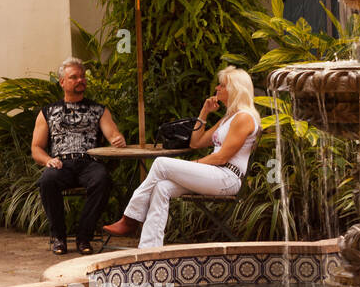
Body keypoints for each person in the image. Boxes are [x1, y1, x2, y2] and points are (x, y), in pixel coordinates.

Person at [102, 66, 260, 249]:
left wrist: (193, 165)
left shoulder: (244, 118)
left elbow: (221, 158)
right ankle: (149, 250)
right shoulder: (228, 118)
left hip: (227, 178)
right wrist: (204, 112)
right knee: (162, 187)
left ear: (235, 89)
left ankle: (130, 219)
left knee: (161, 163)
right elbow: (196, 142)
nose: (217, 88)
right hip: (214, 174)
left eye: (222, 85)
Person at [32, 58, 126, 256]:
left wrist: (118, 140)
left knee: (103, 179)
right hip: (61, 162)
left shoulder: (99, 110)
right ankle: (59, 237)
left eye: (82, 76)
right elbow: (36, 148)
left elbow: (113, 135)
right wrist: (47, 160)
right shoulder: (47, 112)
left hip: (89, 162)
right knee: (47, 180)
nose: (80, 80)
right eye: (73, 77)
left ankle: (84, 236)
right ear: (62, 82)